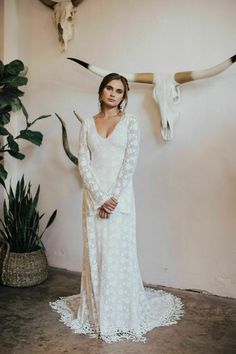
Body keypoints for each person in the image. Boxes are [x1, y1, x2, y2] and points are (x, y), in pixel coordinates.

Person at [50, 73, 184, 343]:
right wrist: (100, 198)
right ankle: (98, 313)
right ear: (101, 92)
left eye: (119, 91)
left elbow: (129, 164)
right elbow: (84, 164)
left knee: (117, 256)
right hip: (93, 200)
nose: (113, 94)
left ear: (124, 96)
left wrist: (112, 199)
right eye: (109, 89)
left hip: (121, 201)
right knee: (97, 254)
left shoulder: (130, 122)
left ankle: (121, 314)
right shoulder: (87, 124)